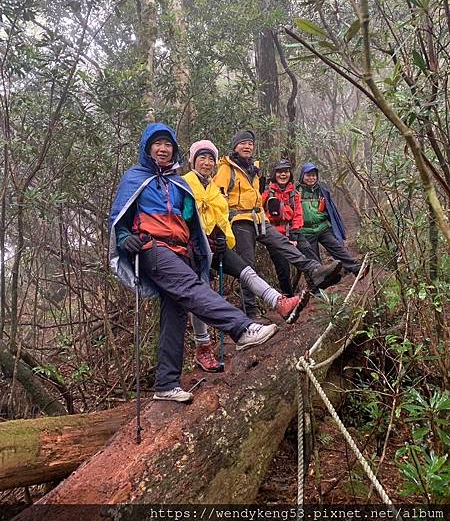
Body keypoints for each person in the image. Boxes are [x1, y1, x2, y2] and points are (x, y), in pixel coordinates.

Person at [109, 122, 278, 403]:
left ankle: (165, 384)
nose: (163, 149)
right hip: (151, 248)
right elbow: (120, 220)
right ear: (147, 148)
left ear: (173, 150)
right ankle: (242, 328)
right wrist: (126, 238)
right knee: (191, 287)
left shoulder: (177, 183)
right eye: (157, 144)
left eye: (168, 145)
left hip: (180, 251)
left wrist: (210, 241)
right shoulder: (134, 179)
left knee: (175, 311)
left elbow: (190, 219)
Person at [184, 141, 309, 372]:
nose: (207, 163)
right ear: (192, 161)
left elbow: (221, 215)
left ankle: (279, 302)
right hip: (194, 249)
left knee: (245, 270)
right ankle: (203, 348)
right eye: (202, 158)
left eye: (210, 158)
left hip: (217, 246)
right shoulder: (184, 184)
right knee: (200, 293)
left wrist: (221, 236)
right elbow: (185, 217)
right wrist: (200, 240)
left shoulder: (212, 187)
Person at [214, 130, 342, 318]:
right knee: (247, 265)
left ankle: (314, 269)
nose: (247, 146)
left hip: (258, 219)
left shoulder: (253, 170)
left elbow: (256, 198)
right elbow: (218, 195)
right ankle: (250, 312)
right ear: (235, 146)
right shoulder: (227, 168)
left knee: (282, 243)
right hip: (239, 221)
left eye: (250, 143)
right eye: (243, 143)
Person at [261, 159, 327, 297]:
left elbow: (298, 215)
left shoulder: (295, 194)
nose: (283, 174)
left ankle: (317, 290)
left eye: (285, 171)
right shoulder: (267, 192)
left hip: (293, 231)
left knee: (309, 255)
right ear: (275, 173)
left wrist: (294, 236)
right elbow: (259, 212)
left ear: (289, 173)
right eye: (279, 172)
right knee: (282, 268)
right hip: (274, 233)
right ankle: (288, 297)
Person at [298, 162, 364, 276]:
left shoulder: (322, 191)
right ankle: (316, 289)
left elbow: (331, 211)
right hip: (306, 231)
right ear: (302, 176)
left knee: (337, 248)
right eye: (308, 175)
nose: (311, 178)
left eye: (314, 175)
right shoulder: (296, 192)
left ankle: (356, 269)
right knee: (313, 261)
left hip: (323, 227)